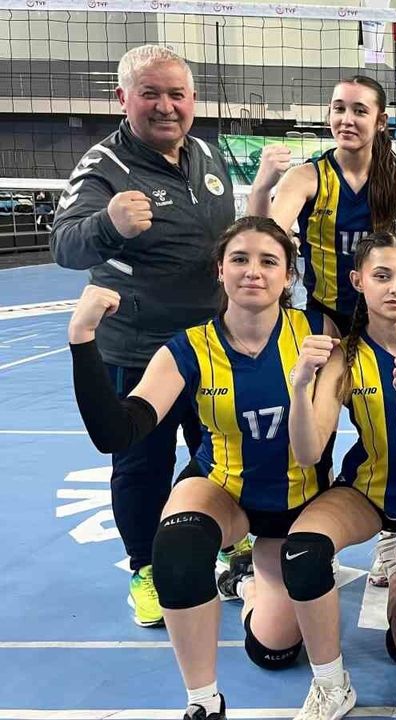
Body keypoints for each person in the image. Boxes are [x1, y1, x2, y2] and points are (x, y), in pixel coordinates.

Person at [66, 217, 336, 720]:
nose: (253, 271)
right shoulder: (188, 348)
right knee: (177, 551)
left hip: (295, 503)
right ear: (219, 271)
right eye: (239, 259)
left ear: (288, 276)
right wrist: (82, 339)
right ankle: (204, 701)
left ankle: (251, 582)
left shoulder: (318, 334)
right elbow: (116, 434)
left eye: (268, 261)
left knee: (274, 651)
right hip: (223, 489)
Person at [49, 44, 238, 628]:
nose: (165, 106)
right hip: (140, 352)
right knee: (141, 467)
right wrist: (107, 224)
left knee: (222, 454)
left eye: (176, 94)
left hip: (211, 347)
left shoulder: (206, 154)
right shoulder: (103, 166)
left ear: (193, 100)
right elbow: (64, 244)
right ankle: (147, 568)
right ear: (122, 98)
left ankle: (224, 541)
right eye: (150, 93)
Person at [279, 232, 396, 720]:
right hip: (368, 491)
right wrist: (300, 388)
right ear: (357, 280)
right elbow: (308, 452)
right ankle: (330, 684)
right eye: (381, 276)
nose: (395, 288)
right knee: (303, 551)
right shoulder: (343, 354)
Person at [267, 75, 396, 333]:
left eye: (360, 111)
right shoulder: (305, 178)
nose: (347, 120)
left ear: (381, 122)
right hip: (324, 318)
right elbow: (267, 238)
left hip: (383, 319)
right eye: (339, 109)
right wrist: (262, 189)